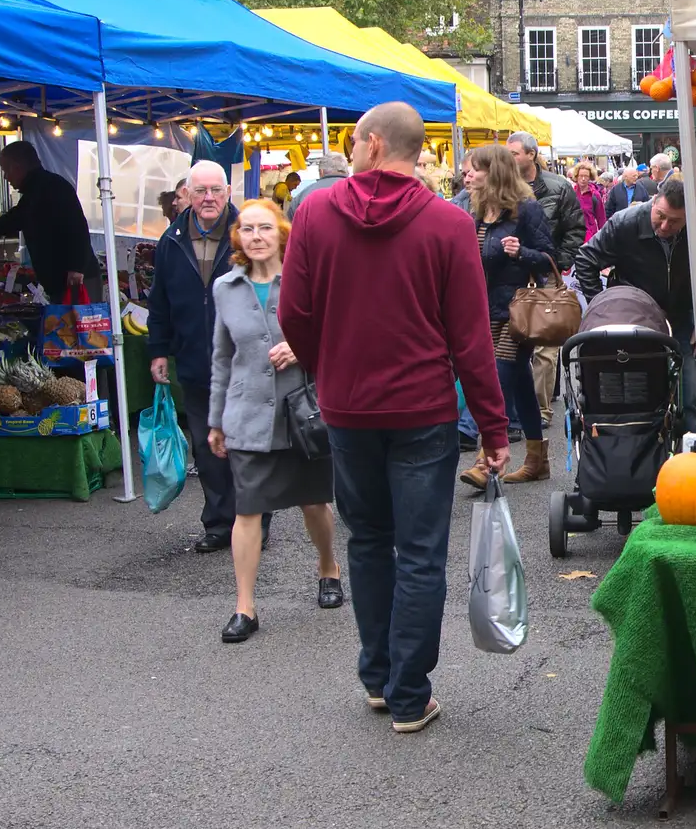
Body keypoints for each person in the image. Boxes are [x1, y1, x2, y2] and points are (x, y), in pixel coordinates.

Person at [279, 101, 508, 734]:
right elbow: (470, 339)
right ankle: (409, 692)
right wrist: (493, 428)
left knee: (370, 541)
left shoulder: (316, 212)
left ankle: (378, 676)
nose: (352, 149)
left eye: (355, 140)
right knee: (421, 553)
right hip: (422, 409)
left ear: (375, 145)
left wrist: (330, 366)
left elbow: (293, 313)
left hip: (348, 406)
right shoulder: (448, 224)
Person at [208, 199, 341, 643]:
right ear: (238, 238)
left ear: (282, 233)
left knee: (313, 502)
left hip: (302, 412)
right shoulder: (226, 288)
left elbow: (338, 336)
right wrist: (216, 421)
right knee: (246, 509)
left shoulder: (306, 282)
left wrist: (304, 350)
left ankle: (328, 569)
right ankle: (245, 607)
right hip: (246, 415)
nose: (256, 236)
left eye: (265, 227)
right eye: (247, 229)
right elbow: (222, 358)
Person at [147, 160, 261, 554]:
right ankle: (218, 523)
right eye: (200, 191)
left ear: (228, 192)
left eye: (215, 190)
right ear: (188, 195)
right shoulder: (171, 240)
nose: (208, 198)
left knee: (248, 445)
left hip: (247, 360)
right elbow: (158, 301)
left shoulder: (250, 232)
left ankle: (254, 522)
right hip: (196, 360)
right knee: (207, 448)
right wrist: (158, 350)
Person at [575, 177, 696, 430]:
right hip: (632, 317)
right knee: (633, 385)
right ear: (654, 201)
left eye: (675, 221)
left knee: (688, 389)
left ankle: (690, 447)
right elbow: (586, 259)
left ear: (689, 216)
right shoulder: (626, 223)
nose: (665, 226)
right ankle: (633, 435)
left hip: (679, 314)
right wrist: (600, 306)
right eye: (660, 216)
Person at [457, 144, 555, 489]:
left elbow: (548, 257)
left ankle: (487, 461)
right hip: (485, 310)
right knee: (520, 383)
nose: (467, 174)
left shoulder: (526, 209)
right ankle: (537, 458)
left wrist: (521, 252)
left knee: (499, 377)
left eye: (474, 169)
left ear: (493, 172)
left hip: (518, 311)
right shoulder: (475, 209)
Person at [505, 131, 585, 432]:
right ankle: (516, 408)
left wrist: (560, 264)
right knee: (513, 338)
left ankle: (540, 409)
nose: (510, 159)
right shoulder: (503, 188)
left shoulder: (557, 186)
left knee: (545, 345)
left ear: (530, 154)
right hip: (512, 275)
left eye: (514, 153)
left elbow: (575, 228)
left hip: (545, 272)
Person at [0, 141, 101, 302]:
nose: (6, 177)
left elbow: (77, 228)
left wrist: (76, 268)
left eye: (6, 171)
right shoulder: (38, 189)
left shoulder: (48, 189)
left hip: (76, 281)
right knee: (67, 325)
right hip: (65, 280)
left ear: (17, 167)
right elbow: (10, 222)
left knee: (85, 325)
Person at [287, 151, 349, 219]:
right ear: (347, 171)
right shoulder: (358, 190)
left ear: (321, 172)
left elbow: (290, 225)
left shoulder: (302, 197)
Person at [571, 161, 607, 243]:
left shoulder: (595, 195)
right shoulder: (572, 193)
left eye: (586, 176)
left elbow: (601, 218)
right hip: (574, 236)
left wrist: (604, 239)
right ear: (576, 176)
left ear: (590, 177)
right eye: (581, 176)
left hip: (589, 237)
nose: (583, 179)